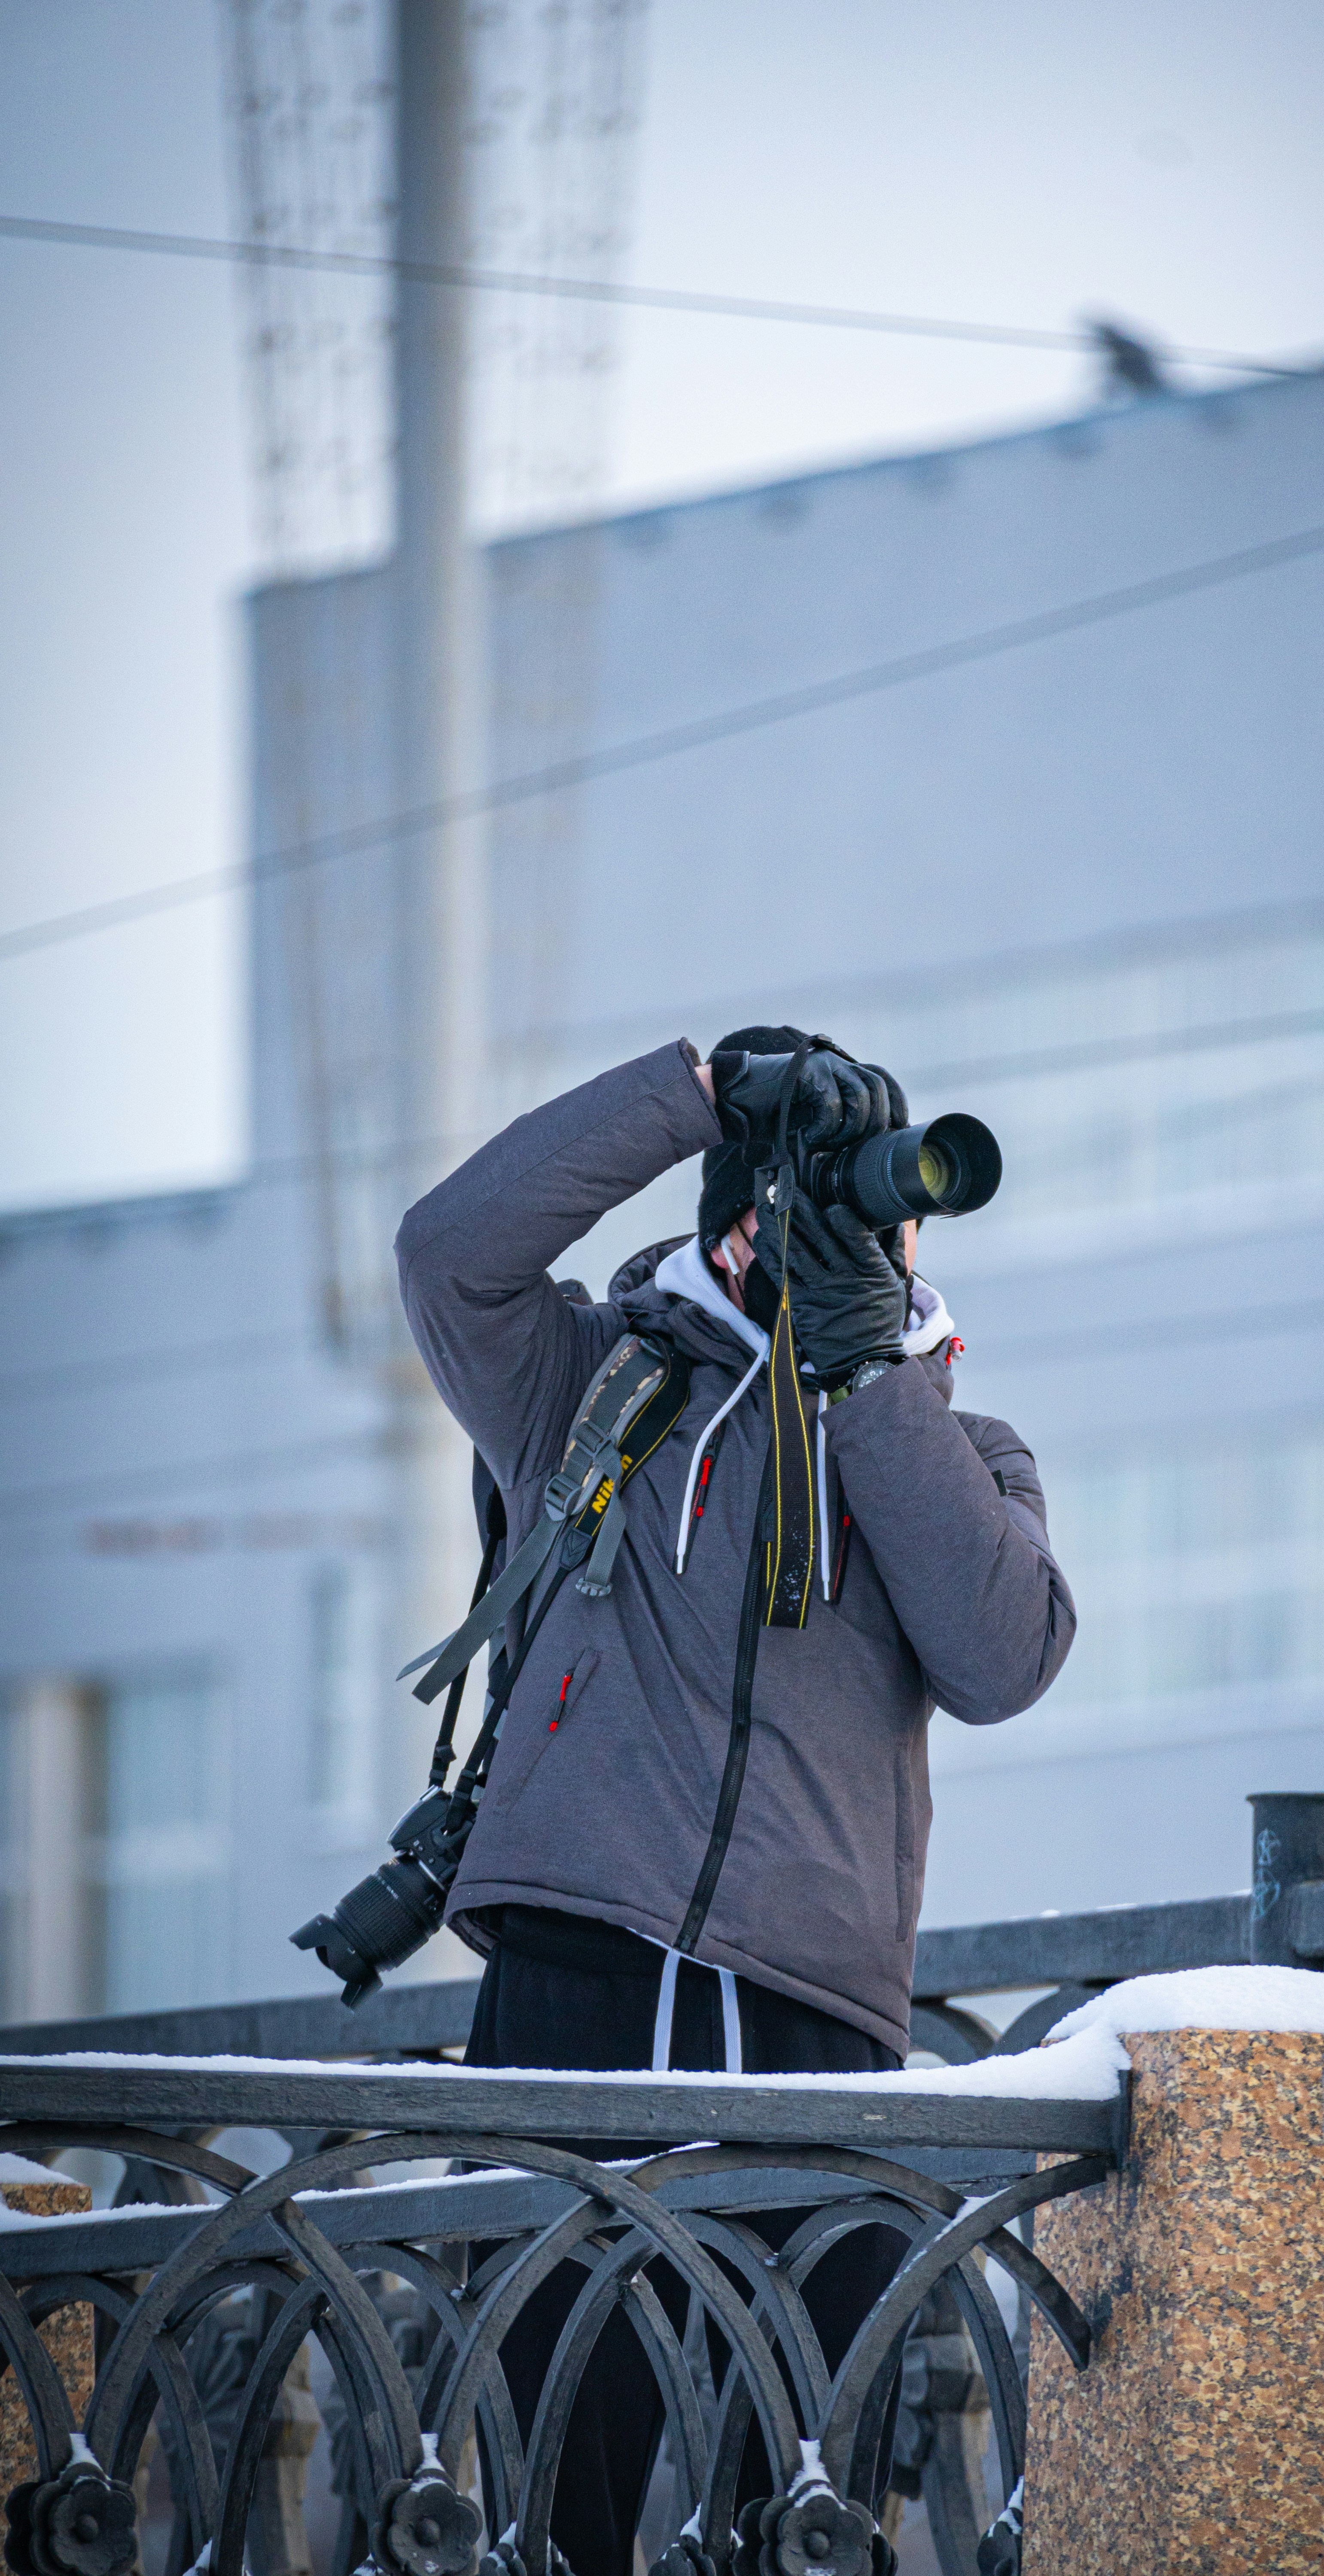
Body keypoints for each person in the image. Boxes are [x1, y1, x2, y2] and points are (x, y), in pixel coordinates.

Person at [394, 1029, 1075, 2576]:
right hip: (581, 1981)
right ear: (735, 1216)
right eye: (817, 1203)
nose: (867, 1236)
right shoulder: (589, 1384)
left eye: (889, 1219)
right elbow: (446, 1254)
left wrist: (867, 1372)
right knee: (546, 2489)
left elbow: (1003, 1655)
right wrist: (690, 1097)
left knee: (809, 2507)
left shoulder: (959, 1448)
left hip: (814, 2022)